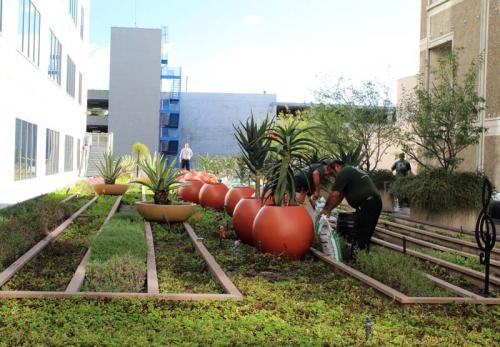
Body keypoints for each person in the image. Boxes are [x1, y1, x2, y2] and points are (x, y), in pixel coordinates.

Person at [320, 159, 382, 252]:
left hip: (367, 203)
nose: (334, 176)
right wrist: (329, 209)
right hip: (374, 202)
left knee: (360, 235)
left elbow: (335, 194)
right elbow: (339, 197)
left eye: (332, 173)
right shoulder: (351, 171)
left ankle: (357, 261)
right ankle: (362, 258)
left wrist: (325, 210)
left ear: (337, 166)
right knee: (365, 235)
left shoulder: (344, 171)